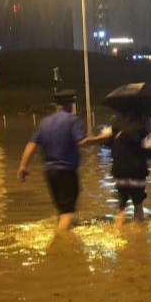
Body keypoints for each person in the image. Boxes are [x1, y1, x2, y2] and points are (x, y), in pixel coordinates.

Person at [18, 90, 104, 231]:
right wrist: (102, 137)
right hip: (66, 172)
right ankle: (60, 246)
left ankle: (64, 232)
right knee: (68, 212)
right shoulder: (72, 120)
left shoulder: (44, 122)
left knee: (62, 210)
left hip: (49, 172)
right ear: (70, 104)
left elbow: (31, 144)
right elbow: (82, 142)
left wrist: (23, 166)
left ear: (56, 104)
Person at [95, 114, 151, 227]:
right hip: (137, 172)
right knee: (138, 205)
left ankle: (118, 235)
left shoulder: (116, 126)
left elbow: (104, 143)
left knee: (121, 208)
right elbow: (149, 153)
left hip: (120, 171)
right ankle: (139, 238)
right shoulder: (144, 130)